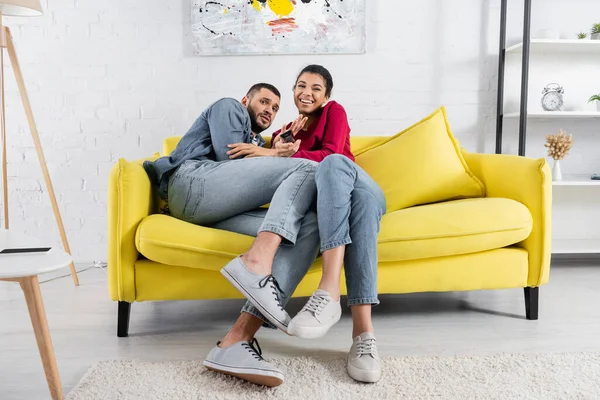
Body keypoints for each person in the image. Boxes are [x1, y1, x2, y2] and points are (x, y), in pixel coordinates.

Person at [142, 83, 322, 387]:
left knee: (310, 226)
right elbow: (230, 159)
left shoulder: (257, 140)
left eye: (275, 108)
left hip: (217, 211)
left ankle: (237, 341)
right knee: (306, 168)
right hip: (192, 184)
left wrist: (274, 147)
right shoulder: (229, 107)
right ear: (246, 100)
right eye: (264, 101)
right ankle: (255, 261)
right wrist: (274, 154)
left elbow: (251, 172)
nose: (269, 110)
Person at [223, 65, 386, 384]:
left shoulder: (333, 113)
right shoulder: (287, 130)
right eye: (300, 85)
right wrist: (278, 148)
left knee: (341, 172)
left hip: (358, 183)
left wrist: (281, 153)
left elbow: (332, 156)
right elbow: (273, 174)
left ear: (326, 96)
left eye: (315, 88)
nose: (306, 92)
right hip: (339, 206)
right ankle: (363, 336)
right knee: (359, 209)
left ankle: (328, 292)